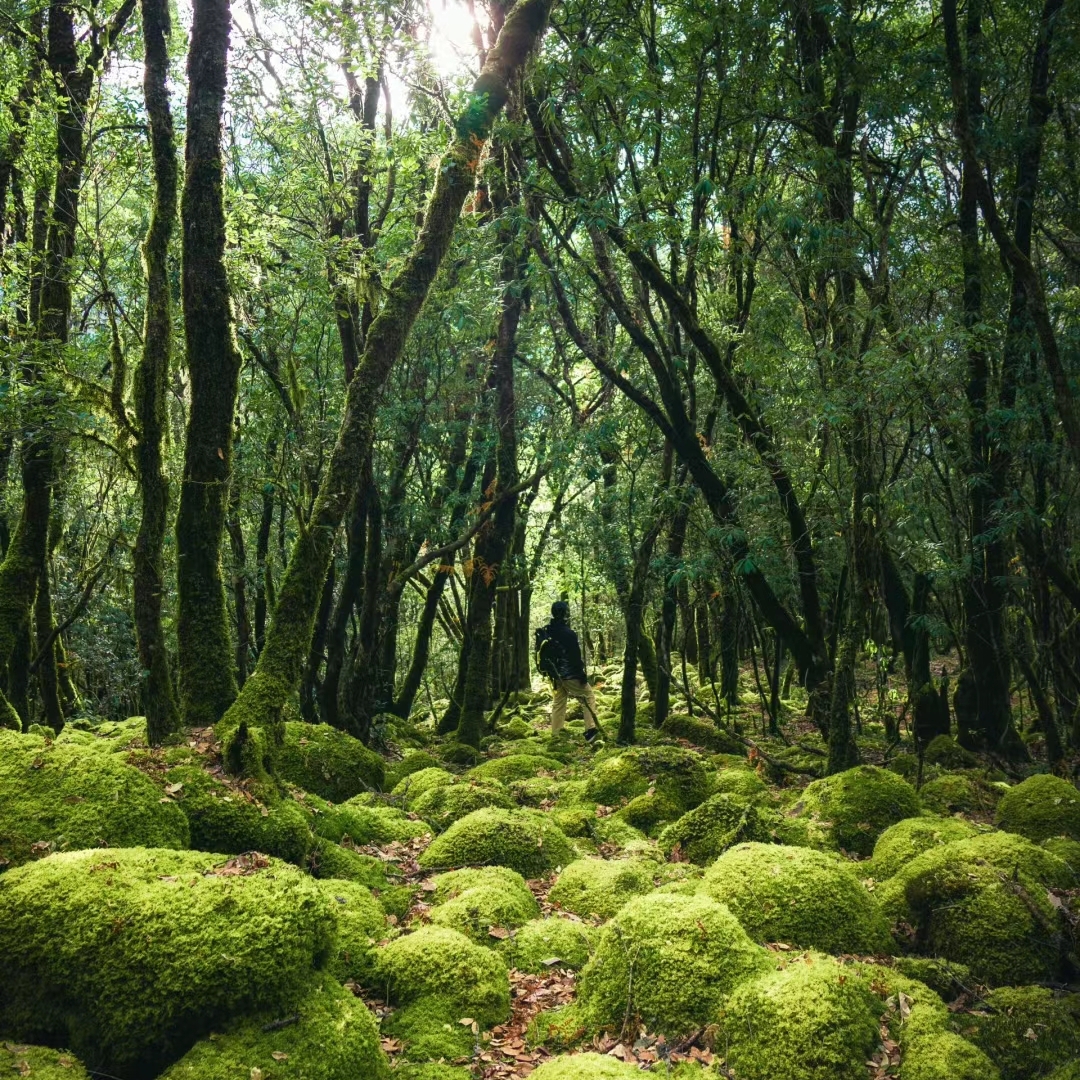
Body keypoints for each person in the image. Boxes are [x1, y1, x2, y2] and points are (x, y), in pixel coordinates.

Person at [536, 600, 602, 745]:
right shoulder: (569, 634)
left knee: (559, 702)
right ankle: (590, 730)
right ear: (565, 614)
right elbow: (574, 657)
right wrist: (582, 676)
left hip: (555, 674)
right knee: (588, 696)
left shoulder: (547, 630)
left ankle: (556, 735)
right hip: (570, 674)